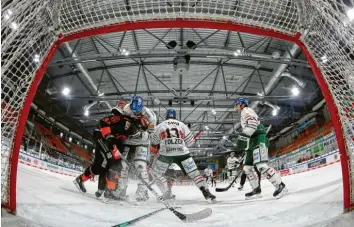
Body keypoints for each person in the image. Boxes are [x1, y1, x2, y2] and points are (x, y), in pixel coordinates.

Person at [73, 101, 143, 200]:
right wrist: (108, 137)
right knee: (110, 163)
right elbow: (103, 122)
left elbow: (125, 138)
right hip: (103, 140)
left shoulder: (133, 126)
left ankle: (100, 187)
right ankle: (107, 190)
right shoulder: (122, 118)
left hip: (109, 142)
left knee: (106, 164)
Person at [149, 109, 216, 202]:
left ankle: (166, 193)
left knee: (155, 173)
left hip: (166, 154)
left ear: (166, 116)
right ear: (175, 117)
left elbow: (153, 142)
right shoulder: (182, 125)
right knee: (194, 174)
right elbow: (191, 142)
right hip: (183, 154)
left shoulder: (161, 125)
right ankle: (206, 192)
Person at [231, 97, 287, 199]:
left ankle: (280, 185)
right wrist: (246, 147)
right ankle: (256, 189)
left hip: (258, 139)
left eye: (237, 105)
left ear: (242, 104)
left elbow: (252, 124)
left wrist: (242, 139)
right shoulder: (243, 113)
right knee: (247, 168)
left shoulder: (246, 110)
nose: (236, 108)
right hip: (252, 142)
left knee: (261, 165)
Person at [118, 96, 157, 202]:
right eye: (133, 111)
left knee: (140, 165)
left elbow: (152, 136)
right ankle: (121, 189)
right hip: (127, 141)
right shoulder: (126, 109)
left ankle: (142, 191)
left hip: (142, 142)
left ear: (142, 107)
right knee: (123, 165)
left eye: (137, 111)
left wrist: (139, 134)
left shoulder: (150, 115)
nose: (135, 113)